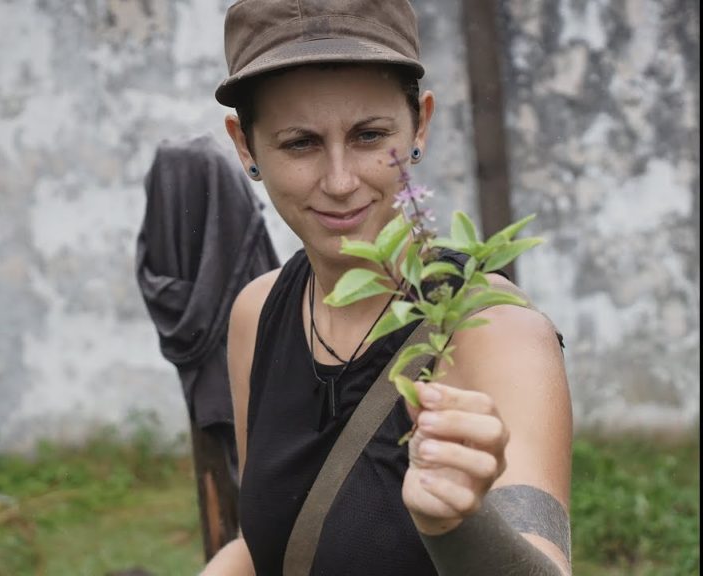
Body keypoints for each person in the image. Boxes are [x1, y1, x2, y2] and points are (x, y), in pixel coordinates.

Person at [201, 1, 573, 575]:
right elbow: (265, 542)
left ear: (419, 123)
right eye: (299, 143)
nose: (341, 181)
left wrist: (458, 525)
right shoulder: (259, 311)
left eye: (370, 136)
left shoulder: (498, 333)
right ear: (245, 145)